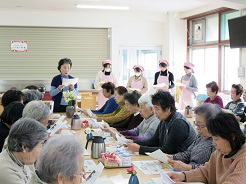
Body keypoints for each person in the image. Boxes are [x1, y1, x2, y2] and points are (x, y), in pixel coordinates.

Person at [168, 112, 246, 183]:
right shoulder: (219, 153)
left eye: (216, 139)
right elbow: (206, 172)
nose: (213, 143)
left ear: (232, 136)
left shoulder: (243, 157)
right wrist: (182, 176)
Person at [127, 90, 196, 155]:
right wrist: (134, 142)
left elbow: (167, 150)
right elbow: (153, 141)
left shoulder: (178, 123)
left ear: (168, 109)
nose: (154, 112)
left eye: (157, 109)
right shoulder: (164, 120)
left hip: (181, 163)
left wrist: (140, 149)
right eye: (154, 108)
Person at [167, 103, 221, 171]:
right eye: (196, 124)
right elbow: (189, 153)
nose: (198, 129)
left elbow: (212, 168)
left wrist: (188, 167)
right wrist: (172, 157)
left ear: (213, 124)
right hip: (188, 171)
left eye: (201, 125)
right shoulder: (200, 136)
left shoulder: (218, 143)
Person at [0, 117, 48, 184]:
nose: (41, 150)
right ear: (24, 147)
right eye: (40, 145)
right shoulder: (6, 173)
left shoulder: (23, 158)